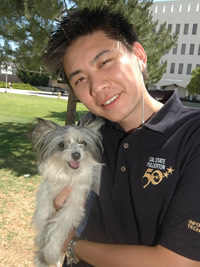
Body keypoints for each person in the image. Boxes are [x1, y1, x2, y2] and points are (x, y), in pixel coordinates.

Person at [43, 7, 200, 267]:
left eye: (105, 62)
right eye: (80, 79)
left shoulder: (191, 136)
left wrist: (72, 246)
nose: (97, 87)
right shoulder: (91, 132)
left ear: (139, 56)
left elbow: (177, 262)